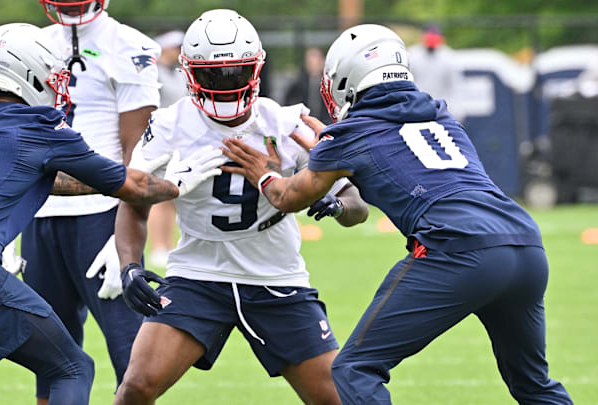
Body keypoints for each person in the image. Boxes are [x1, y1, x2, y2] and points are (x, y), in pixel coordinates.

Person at [222, 24, 574, 405]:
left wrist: (265, 173)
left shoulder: (348, 136)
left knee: (353, 369)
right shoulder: (442, 117)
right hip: (524, 242)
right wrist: (335, 158)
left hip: (455, 248)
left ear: (346, 78)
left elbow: (288, 197)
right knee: (533, 386)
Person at [0, 22, 221, 405]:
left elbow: (31, 176)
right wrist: (175, 183)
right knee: (72, 368)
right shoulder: (40, 127)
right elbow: (135, 186)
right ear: (28, 73)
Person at [112, 9, 369, 405]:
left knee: (337, 398)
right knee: (137, 387)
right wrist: (129, 265)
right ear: (190, 74)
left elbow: (358, 206)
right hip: (198, 274)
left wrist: (335, 202)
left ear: (255, 70)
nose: (225, 83)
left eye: (235, 72)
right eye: (213, 75)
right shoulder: (168, 124)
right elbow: (133, 199)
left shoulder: (286, 123)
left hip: (276, 275)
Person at [26, 1, 161, 402]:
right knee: (48, 358)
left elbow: (140, 154)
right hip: (40, 213)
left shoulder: (129, 45)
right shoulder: (31, 43)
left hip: (101, 216)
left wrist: (125, 228)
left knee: (132, 360)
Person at [146, 29, 186, 267]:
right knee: (159, 196)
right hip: (159, 140)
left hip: (178, 143)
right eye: (175, 48)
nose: (179, 52)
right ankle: (158, 246)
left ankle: (168, 244)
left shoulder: (179, 74)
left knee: (172, 196)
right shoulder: (153, 74)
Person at [407, 24, 465, 121]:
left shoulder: (449, 57)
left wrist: (458, 111)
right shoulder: (412, 55)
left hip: (442, 110)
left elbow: (456, 86)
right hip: (417, 108)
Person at [284, 47, 333, 124]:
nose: (313, 64)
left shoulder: (329, 85)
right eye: (310, 61)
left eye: (316, 60)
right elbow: (289, 104)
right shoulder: (298, 84)